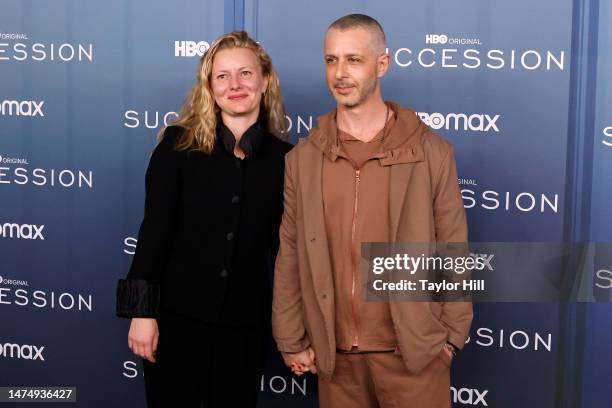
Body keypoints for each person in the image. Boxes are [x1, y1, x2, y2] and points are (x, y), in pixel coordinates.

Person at [272, 14, 472, 408]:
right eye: (331, 60)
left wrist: (450, 336)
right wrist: (291, 336)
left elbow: (453, 248)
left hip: (415, 356)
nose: (340, 73)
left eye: (354, 60)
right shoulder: (303, 158)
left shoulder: (432, 152)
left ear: (382, 64)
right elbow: (291, 252)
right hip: (337, 362)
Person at [116, 30, 292, 408]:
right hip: (175, 323)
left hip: (245, 328)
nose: (235, 85)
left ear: (265, 81)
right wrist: (141, 313)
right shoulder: (178, 146)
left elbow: (287, 252)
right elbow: (154, 232)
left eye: (245, 74)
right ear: (209, 88)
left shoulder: (286, 159)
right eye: (222, 76)